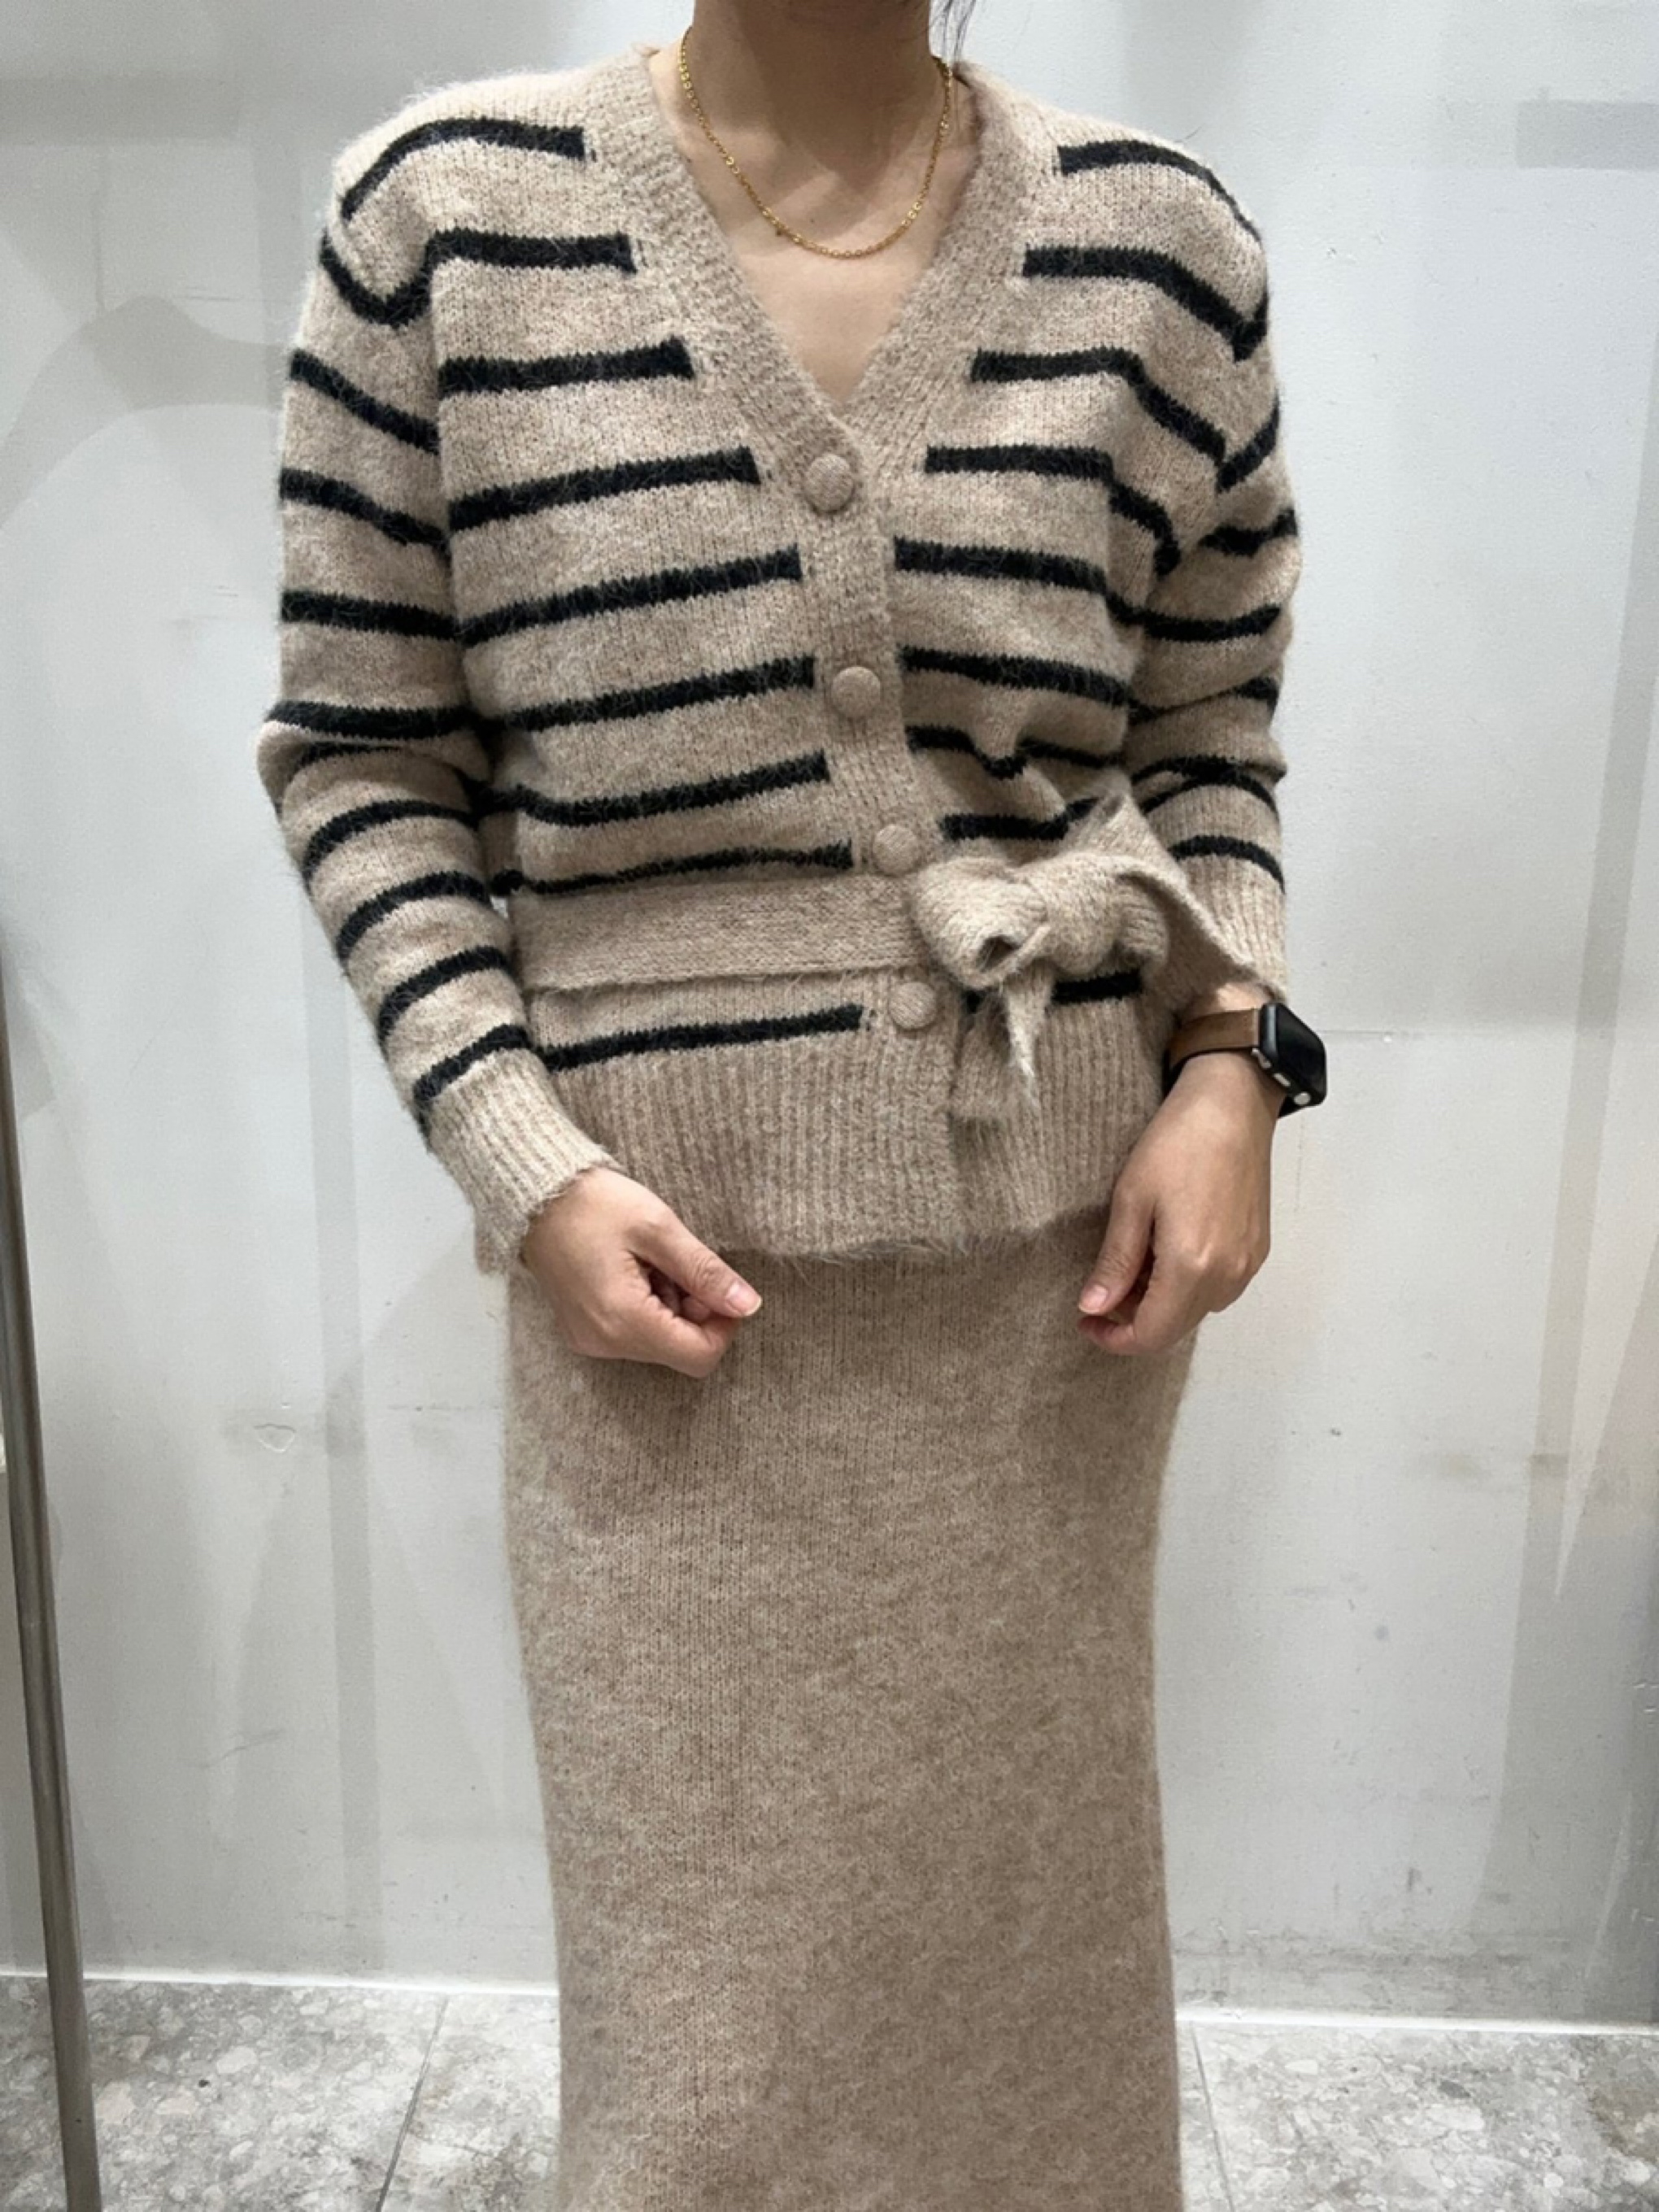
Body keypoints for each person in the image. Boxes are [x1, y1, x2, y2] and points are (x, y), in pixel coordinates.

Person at [255, 2, 1322, 2204]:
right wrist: (520, 1159)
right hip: (659, 1307)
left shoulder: (1163, 245)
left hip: (1051, 1301)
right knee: (702, 2043)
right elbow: (365, 756)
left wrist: (1230, 1061)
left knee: (1027, 1980)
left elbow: (1210, 728)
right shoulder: (442, 224)